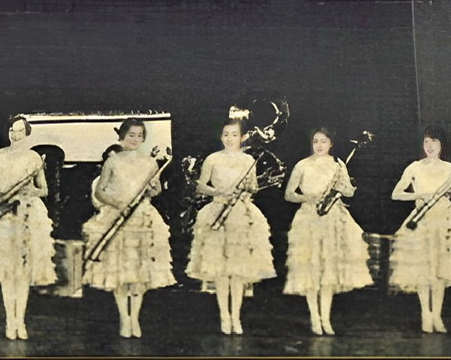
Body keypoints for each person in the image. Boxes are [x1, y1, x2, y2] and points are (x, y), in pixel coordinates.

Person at [82, 118, 175, 338]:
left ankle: (135, 319)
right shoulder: (113, 162)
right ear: (122, 137)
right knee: (121, 271)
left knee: (139, 273)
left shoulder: (150, 162)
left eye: (140, 135)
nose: (135, 139)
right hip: (119, 217)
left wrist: (153, 190)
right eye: (131, 135)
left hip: (144, 219)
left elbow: (156, 190)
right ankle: (125, 319)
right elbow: (100, 192)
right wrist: (118, 203)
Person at [0, 116, 57, 340]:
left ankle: (21, 322)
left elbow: (44, 189)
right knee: (8, 271)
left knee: (23, 271)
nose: (15, 134)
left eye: (19, 131)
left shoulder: (34, 158)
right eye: (12, 130)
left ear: (26, 133)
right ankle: (10, 321)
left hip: (28, 214)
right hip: (4, 214)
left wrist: (29, 192)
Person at [185, 119, 276, 335]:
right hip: (218, 212)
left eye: (234, 135)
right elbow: (200, 186)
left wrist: (246, 190)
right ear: (221, 136)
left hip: (241, 215)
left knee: (237, 271)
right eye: (226, 134)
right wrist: (218, 192)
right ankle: (224, 316)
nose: (229, 139)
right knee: (221, 270)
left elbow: (253, 187)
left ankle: (236, 316)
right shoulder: (213, 159)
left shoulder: (249, 160)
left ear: (242, 137)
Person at [282, 127, 373, 336]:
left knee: (328, 271)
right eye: (316, 141)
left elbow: (348, 193)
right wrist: (308, 198)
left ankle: (326, 318)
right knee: (312, 269)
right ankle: (315, 318)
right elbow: (289, 194)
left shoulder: (338, 164)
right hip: (309, 218)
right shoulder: (302, 165)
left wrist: (345, 186)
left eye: (323, 141)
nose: (319, 145)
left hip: (332, 218)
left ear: (331, 144)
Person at [389, 125, 451, 334]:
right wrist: (419, 195)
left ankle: (437, 316)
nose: (429, 146)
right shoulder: (415, 167)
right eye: (426, 141)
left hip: (445, 220)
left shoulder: (450, 169)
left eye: (434, 141)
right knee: (424, 270)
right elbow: (396, 194)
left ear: (441, 145)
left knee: (440, 270)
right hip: (421, 220)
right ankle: (426, 314)